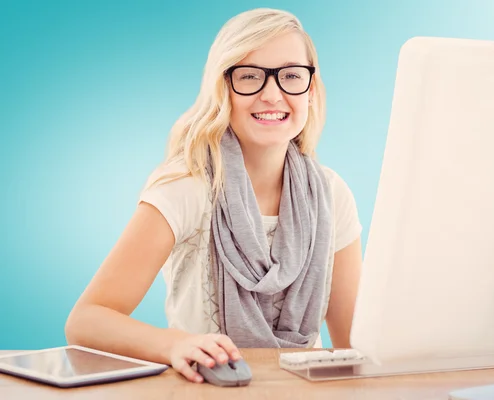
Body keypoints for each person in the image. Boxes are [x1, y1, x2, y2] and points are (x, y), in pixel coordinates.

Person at [64, 7, 363, 383]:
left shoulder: (332, 194)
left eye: (290, 76)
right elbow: (86, 319)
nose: (273, 94)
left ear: (311, 89)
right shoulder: (185, 188)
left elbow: (354, 342)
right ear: (223, 88)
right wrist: (173, 345)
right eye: (250, 76)